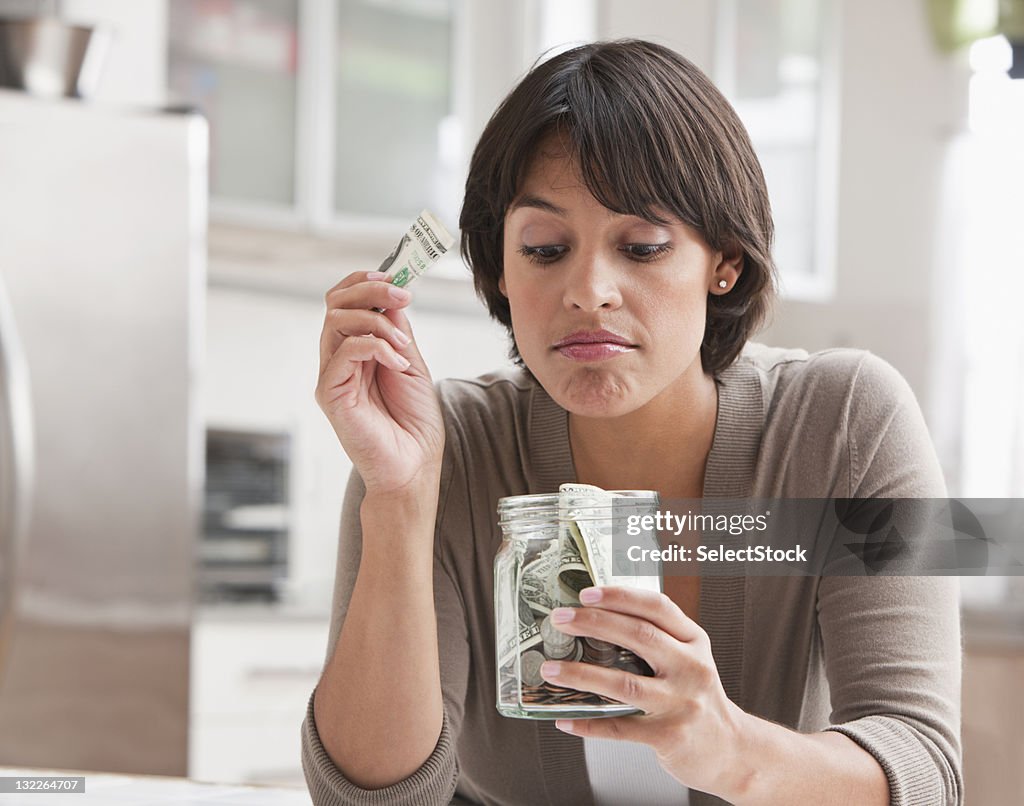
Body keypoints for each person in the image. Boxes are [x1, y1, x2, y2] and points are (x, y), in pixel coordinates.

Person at [301, 39, 962, 806]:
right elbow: (370, 798)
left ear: (726, 263)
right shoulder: (441, 445)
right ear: (501, 273)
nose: (589, 290)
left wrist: (729, 748)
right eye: (545, 249)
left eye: (641, 246)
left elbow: (923, 773)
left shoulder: (846, 423)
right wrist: (400, 499)